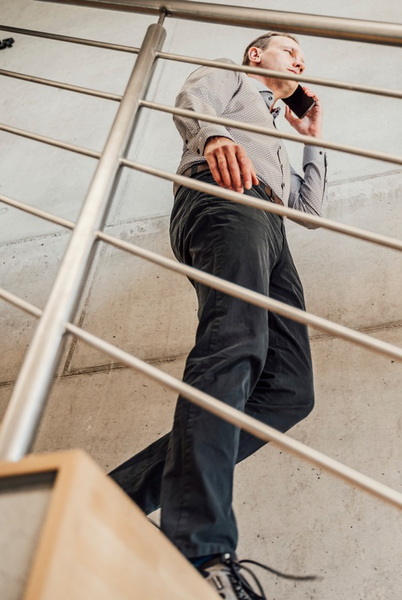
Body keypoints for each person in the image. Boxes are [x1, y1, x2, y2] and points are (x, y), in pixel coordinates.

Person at [109, 32, 327, 599]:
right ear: (257, 56)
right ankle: (200, 547)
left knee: (288, 391)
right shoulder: (231, 79)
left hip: (271, 226)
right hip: (223, 195)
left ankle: (115, 497)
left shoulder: (277, 124)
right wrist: (215, 136)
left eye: (303, 57)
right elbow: (191, 101)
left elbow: (310, 213)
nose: (300, 61)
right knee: (236, 342)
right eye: (289, 51)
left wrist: (311, 140)